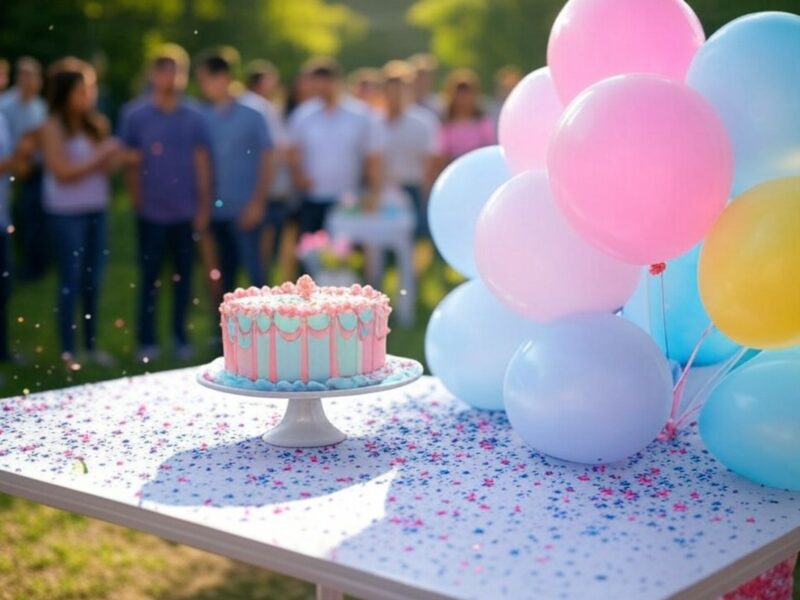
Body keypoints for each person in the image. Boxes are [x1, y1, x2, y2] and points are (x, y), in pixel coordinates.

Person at [120, 46, 212, 362]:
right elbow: (128, 161)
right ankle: (146, 340)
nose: (169, 78)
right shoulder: (135, 115)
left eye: (175, 71)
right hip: (151, 212)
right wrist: (137, 200)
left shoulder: (195, 116)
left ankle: (180, 337)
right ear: (152, 74)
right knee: (149, 277)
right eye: (163, 71)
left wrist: (203, 206)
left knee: (183, 279)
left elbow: (202, 161)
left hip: (186, 212)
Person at [40, 58, 121, 369]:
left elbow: (104, 168)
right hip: (65, 215)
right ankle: (68, 351)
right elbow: (62, 172)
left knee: (92, 281)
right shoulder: (52, 127)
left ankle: (89, 346)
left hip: (96, 210)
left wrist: (116, 158)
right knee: (70, 281)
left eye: (91, 88)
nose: (89, 94)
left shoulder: (96, 124)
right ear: (65, 93)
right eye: (82, 89)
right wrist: (103, 153)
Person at [196, 51, 274, 298]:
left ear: (223, 77)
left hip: (247, 210)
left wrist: (257, 203)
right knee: (223, 279)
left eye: (206, 79)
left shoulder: (254, 112)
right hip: (216, 211)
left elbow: (268, 159)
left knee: (256, 278)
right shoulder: (203, 115)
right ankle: (224, 324)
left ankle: (264, 322)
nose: (202, 86)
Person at [287, 57, 384, 236]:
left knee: (347, 249)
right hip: (313, 198)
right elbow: (293, 152)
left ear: (335, 81)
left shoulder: (361, 115)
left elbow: (373, 158)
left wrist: (374, 193)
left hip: (349, 198)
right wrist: (297, 175)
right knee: (312, 249)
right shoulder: (302, 115)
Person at [239, 60, 292, 283]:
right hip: (265, 193)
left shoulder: (258, 107)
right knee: (261, 256)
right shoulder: (260, 108)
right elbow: (277, 149)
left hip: (264, 192)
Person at [379, 60, 439, 239]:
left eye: (399, 90)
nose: (395, 96)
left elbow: (431, 160)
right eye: (390, 91)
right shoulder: (375, 122)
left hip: (413, 187)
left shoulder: (423, 122)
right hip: (384, 188)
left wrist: (425, 190)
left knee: (415, 237)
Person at [0, 57, 48, 281]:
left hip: (37, 168)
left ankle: (36, 265)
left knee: (36, 217)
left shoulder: (40, 106)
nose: (27, 80)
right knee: (20, 216)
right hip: (13, 170)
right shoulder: (6, 105)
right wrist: (18, 163)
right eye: (23, 75)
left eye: (32, 76)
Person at [437, 68, 495, 165]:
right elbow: (442, 153)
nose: (463, 98)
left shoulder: (482, 121)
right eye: (459, 93)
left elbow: (488, 148)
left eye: (467, 93)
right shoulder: (445, 122)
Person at [408, 53, 443, 118]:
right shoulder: (403, 103)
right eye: (419, 75)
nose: (422, 80)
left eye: (425, 76)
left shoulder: (438, 105)